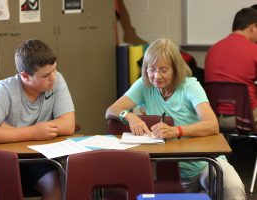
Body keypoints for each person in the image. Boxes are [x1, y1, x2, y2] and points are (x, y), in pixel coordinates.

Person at [105, 38, 246, 200]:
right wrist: (129, 116)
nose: (156, 76)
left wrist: (177, 131)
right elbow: (111, 110)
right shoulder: (144, 85)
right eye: (151, 69)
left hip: (205, 164)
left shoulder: (190, 86)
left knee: (233, 187)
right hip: (170, 172)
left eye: (163, 70)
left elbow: (212, 125)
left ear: (176, 69)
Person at [0, 39, 75, 200]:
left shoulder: (56, 80)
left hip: (37, 161)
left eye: (54, 70)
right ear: (25, 76)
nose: (53, 77)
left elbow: (68, 125)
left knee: (56, 186)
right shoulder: (5, 89)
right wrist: (33, 132)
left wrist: (7, 131)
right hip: (2, 160)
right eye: (46, 75)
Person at [205, 7, 257, 127]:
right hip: (246, 117)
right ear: (253, 27)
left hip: (214, 117)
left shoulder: (212, 50)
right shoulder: (254, 50)